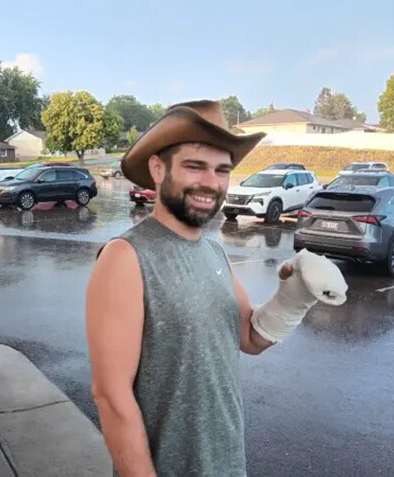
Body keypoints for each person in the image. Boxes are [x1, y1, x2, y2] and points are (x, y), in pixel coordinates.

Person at [86, 100, 347, 476]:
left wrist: (296, 296)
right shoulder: (125, 258)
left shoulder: (213, 251)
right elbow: (111, 397)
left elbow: (249, 337)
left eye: (222, 170)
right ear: (158, 169)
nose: (211, 182)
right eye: (195, 166)